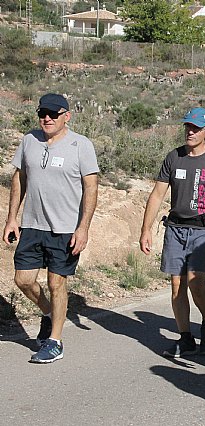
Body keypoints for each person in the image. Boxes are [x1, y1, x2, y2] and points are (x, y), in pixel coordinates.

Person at [2, 93, 99, 363]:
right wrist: (12, 217)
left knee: (57, 283)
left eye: (53, 114)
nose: (47, 118)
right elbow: (19, 178)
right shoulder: (29, 141)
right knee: (23, 280)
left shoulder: (81, 145)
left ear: (66, 116)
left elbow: (91, 186)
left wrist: (83, 228)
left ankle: (55, 341)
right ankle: (47, 312)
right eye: (43, 113)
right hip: (33, 225)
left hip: (66, 228)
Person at [139, 107, 205, 358]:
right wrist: (146, 229)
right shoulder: (174, 157)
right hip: (176, 228)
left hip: (203, 230)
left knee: (195, 281)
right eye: (187, 127)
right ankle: (186, 337)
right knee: (177, 284)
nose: (190, 132)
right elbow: (157, 194)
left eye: (196, 128)